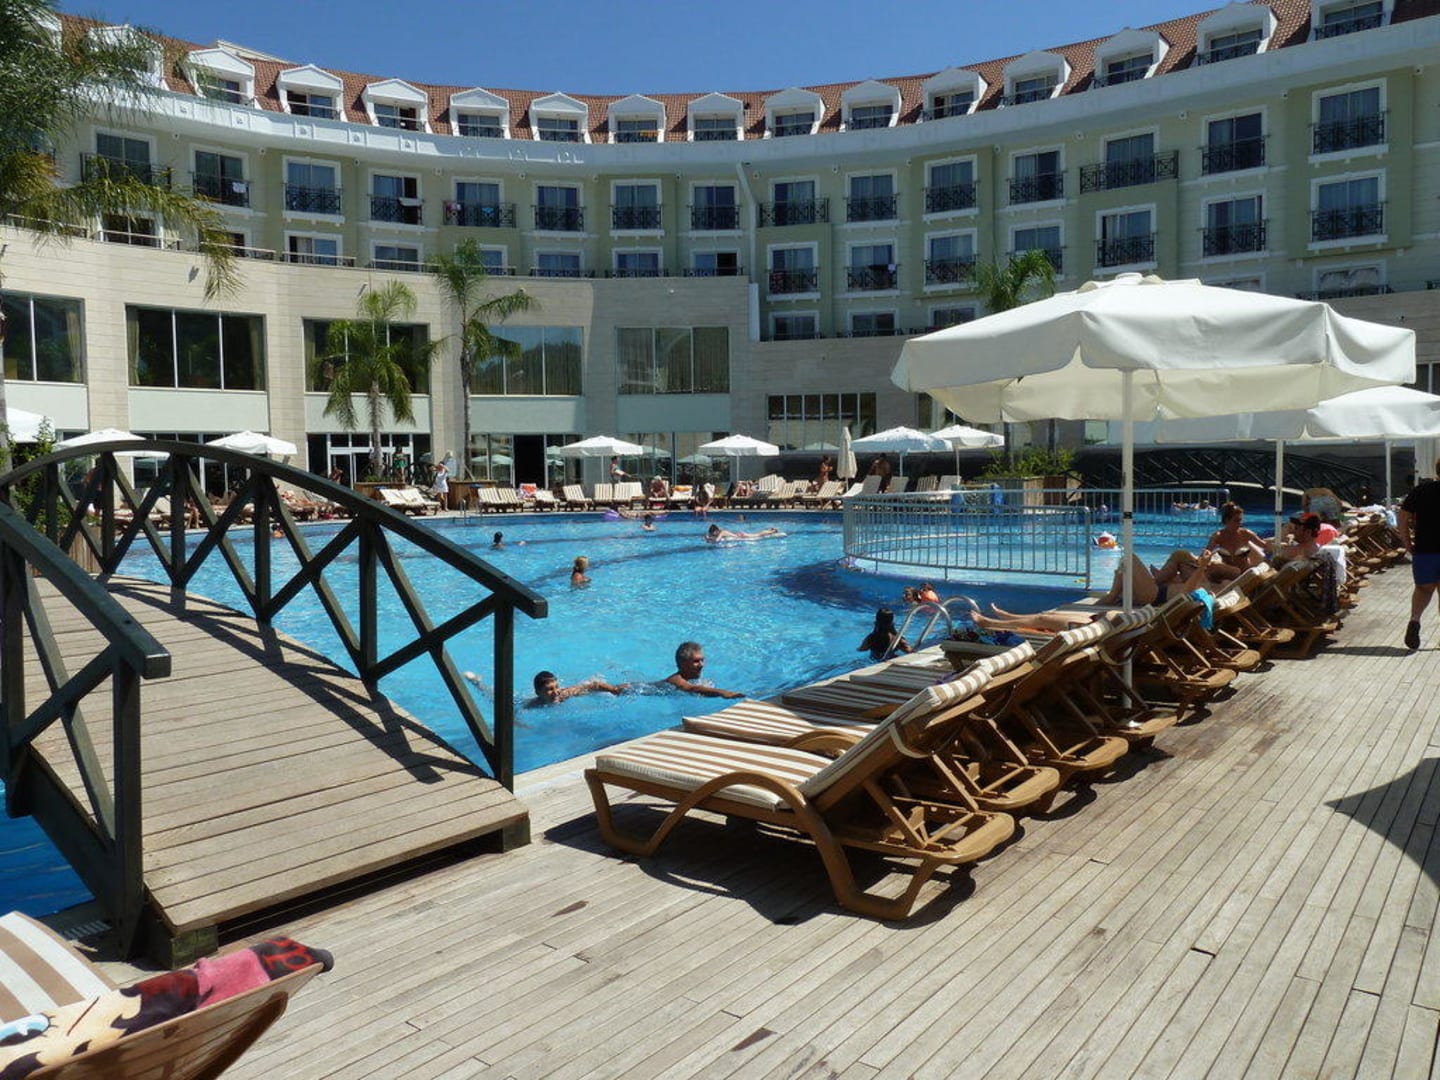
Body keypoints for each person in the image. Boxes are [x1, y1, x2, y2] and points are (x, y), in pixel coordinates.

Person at [978, 551, 1223, 633]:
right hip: (1124, 622)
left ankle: (996, 624)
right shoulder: (1203, 597)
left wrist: (1202, 567)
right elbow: (1187, 591)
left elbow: (1187, 591)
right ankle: (1006, 619)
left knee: (1045, 619)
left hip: (1111, 627)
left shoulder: (1199, 590)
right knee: (1046, 617)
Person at [1205, 502, 1265, 581]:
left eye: (1241, 520)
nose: (1240, 523)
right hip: (1229, 575)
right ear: (1227, 520)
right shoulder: (1218, 536)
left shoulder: (1245, 533)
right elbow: (1206, 554)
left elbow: (1264, 545)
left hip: (1246, 573)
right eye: (1236, 520)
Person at [664, 641, 744, 698]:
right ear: (683, 664)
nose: (701, 665)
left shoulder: (696, 679)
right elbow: (692, 689)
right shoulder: (675, 680)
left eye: (702, 660)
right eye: (696, 661)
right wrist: (723, 693)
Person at [527, 669, 625, 707]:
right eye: (550, 689)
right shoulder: (533, 705)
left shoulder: (564, 695)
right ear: (538, 693)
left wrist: (614, 690)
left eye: (557, 687)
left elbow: (594, 685)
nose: (556, 692)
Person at [705, 523, 783, 542]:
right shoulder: (721, 532)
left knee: (758, 535)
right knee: (757, 534)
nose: (712, 534)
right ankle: (771, 530)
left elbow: (717, 540)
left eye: (713, 533)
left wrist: (708, 539)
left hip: (742, 536)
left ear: (716, 531)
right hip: (740, 535)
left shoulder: (722, 532)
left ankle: (773, 531)